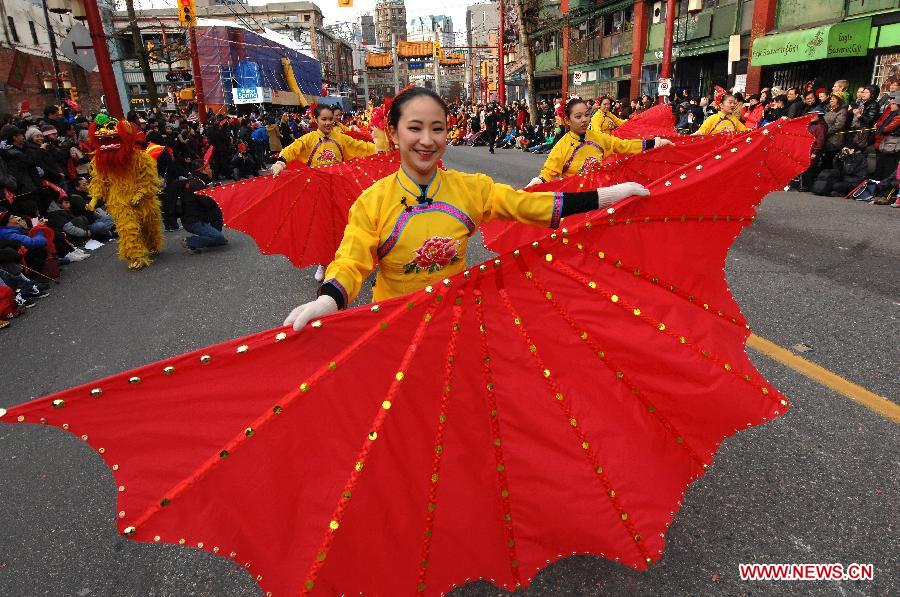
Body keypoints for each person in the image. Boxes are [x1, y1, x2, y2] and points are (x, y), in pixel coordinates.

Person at [283, 87, 651, 329]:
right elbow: (351, 260)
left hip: (455, 323)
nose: (427, 141)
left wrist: (608, 195)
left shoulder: (471, 188)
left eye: (438, 129)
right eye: (415, 128)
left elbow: (534, 206)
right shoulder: (372, 201)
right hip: (392, 326)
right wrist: (330, 300)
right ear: (394, 134)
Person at [272, 103, 377, 282]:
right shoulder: (309, 139)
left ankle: (346, 260)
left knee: (346, 222)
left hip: (340, 187)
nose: (328, 123)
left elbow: (362, 147)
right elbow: (291, 150)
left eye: (331, 119)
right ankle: (323, 262)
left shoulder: (341, 138)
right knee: (321, 226)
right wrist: (281, 162)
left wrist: (383, 148)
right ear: (316, 119)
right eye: (324, 119)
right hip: (317, 190)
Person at [529, 98, 671, 185]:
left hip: (601, 193)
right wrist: (538, 181)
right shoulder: (562, 146)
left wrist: (656, 143)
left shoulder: (598, 137)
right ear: (567, 120)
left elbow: (624, 145)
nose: (584, 120)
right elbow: (549, 172)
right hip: (576, 197)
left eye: (586, 115)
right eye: (578, 117)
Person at [180, 176, 227, 253]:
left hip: (200, 216)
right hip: (193, 221)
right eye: (208, 168)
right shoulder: (195, 184)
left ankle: (213, 237)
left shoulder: (198, 180)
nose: (211, 170)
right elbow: (208, 202)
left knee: (217, 211)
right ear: (203, 170)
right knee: (219, 238)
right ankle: (189, 241)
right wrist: (217, 192)